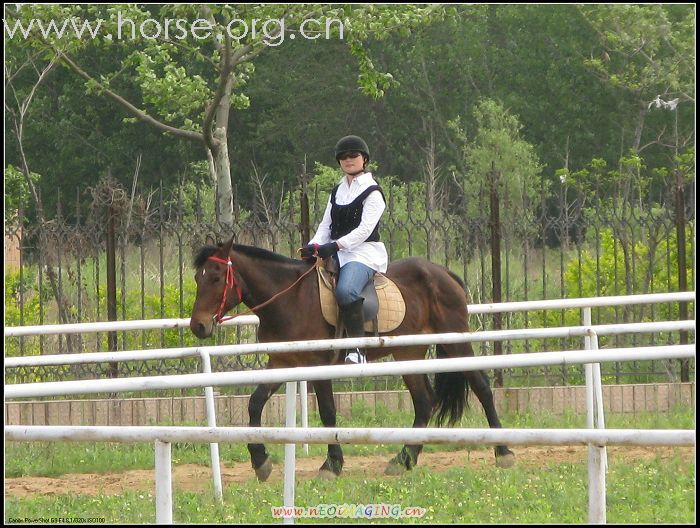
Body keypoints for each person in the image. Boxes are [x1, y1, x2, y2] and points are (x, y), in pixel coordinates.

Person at [301, 135, 388, 364]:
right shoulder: (337, 191)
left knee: (346, 290)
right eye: (343, 157)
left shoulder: (373, 192)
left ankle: (357, 349)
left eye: (353, 155)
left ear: (364, 159)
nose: (348, 160)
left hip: (363, 253)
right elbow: (325, 226)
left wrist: (335, 245)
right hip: (337, 252)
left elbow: (364, 230)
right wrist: (313, 246)